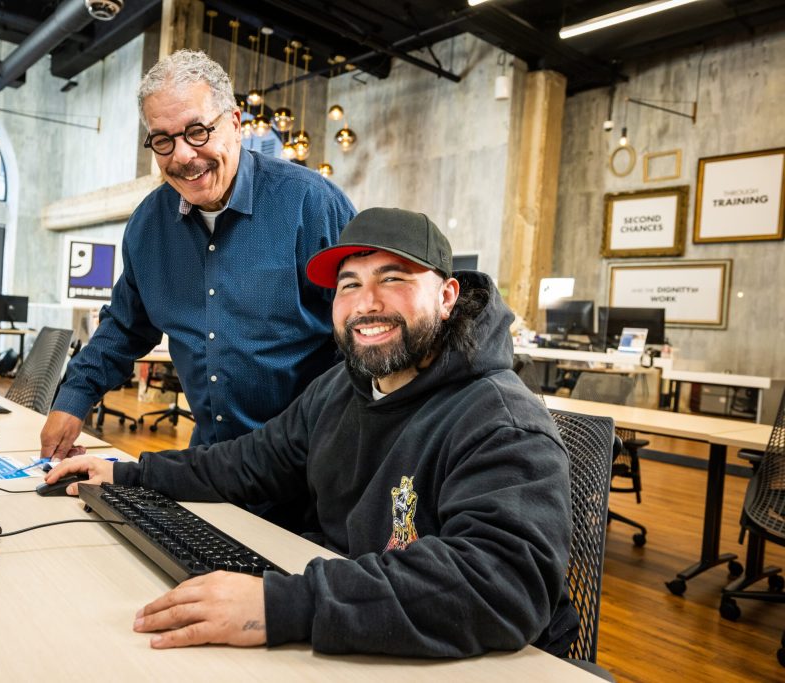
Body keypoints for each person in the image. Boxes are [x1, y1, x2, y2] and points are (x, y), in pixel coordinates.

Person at [45, 207, 579, 658]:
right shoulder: (342, 389)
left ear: (446, 296)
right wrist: (129, 472)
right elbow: (250, 461)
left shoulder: (500, 419)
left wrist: (282, 606)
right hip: (370, 637)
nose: (367, 303)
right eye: (350, 285)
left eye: (393, 279)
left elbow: (499, 584)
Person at [41, 50, 355, 458]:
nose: (183, 156)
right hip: (212, 460)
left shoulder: (312, 205)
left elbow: (363, 339)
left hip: (309, 464)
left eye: (197, 131)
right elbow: (125, 326)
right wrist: (73, 398)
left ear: (236, 124)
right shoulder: (148, 226)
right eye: (163, 140)